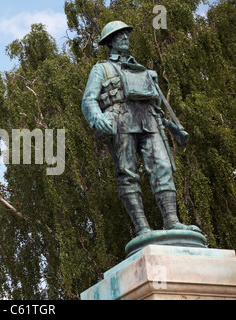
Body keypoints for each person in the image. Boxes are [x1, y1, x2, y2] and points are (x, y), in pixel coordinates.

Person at [81, 21, 201, 236]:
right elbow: (88, 100)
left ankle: (172, 222)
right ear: (110, 42)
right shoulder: (102, 68)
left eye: (127, 34)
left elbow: (155, 104)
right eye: (120, 35)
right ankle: (142, 228)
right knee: (127, 174)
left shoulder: (143, 70)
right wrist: (96, 118)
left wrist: (172, 126)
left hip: (149, 121)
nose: (126, 38)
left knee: (163, 167)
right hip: (120, 122)